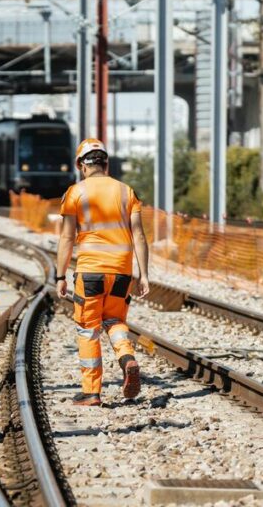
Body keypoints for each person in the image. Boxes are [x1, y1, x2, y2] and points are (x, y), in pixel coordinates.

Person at [55, 138, 150, 406]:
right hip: (121, 272)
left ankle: (92, 391)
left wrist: (60, 276)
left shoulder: (75, 192)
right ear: (106, 164)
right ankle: (127, 357)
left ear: (80, 166)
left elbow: (66, 238)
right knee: (115, 321)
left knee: (88, 329)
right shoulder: (127, 192)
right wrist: (143, 275)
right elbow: (139, 236)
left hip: (91, 272)